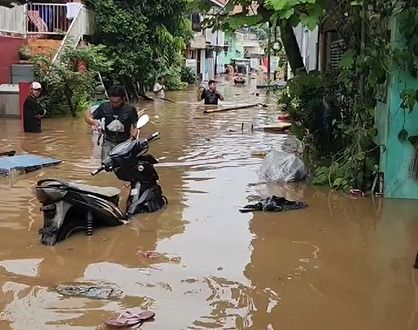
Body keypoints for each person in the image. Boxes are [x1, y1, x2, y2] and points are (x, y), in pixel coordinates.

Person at [85, 85, 139, 161]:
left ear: (123, 99)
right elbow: (89, 117)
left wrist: (133, 137)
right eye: (112, 102)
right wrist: (93, 122)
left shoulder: (130, 109)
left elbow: (136, 126)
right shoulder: (104, 107)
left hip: (125, 141)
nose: (114, 104)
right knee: (105, 165)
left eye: (117, 102)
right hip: (108, 141)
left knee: (125, 164)